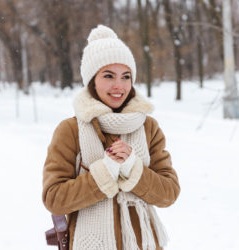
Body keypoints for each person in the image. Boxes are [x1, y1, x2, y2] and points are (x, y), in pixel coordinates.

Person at [43, 24, 180, 250]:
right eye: (108, 76)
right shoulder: (70, 130)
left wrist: (133, 169)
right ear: (92, 80)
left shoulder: (148, 127)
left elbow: (169, 193)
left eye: (126, 76)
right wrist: (103, 173)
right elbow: (54, 198)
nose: (119, 86)